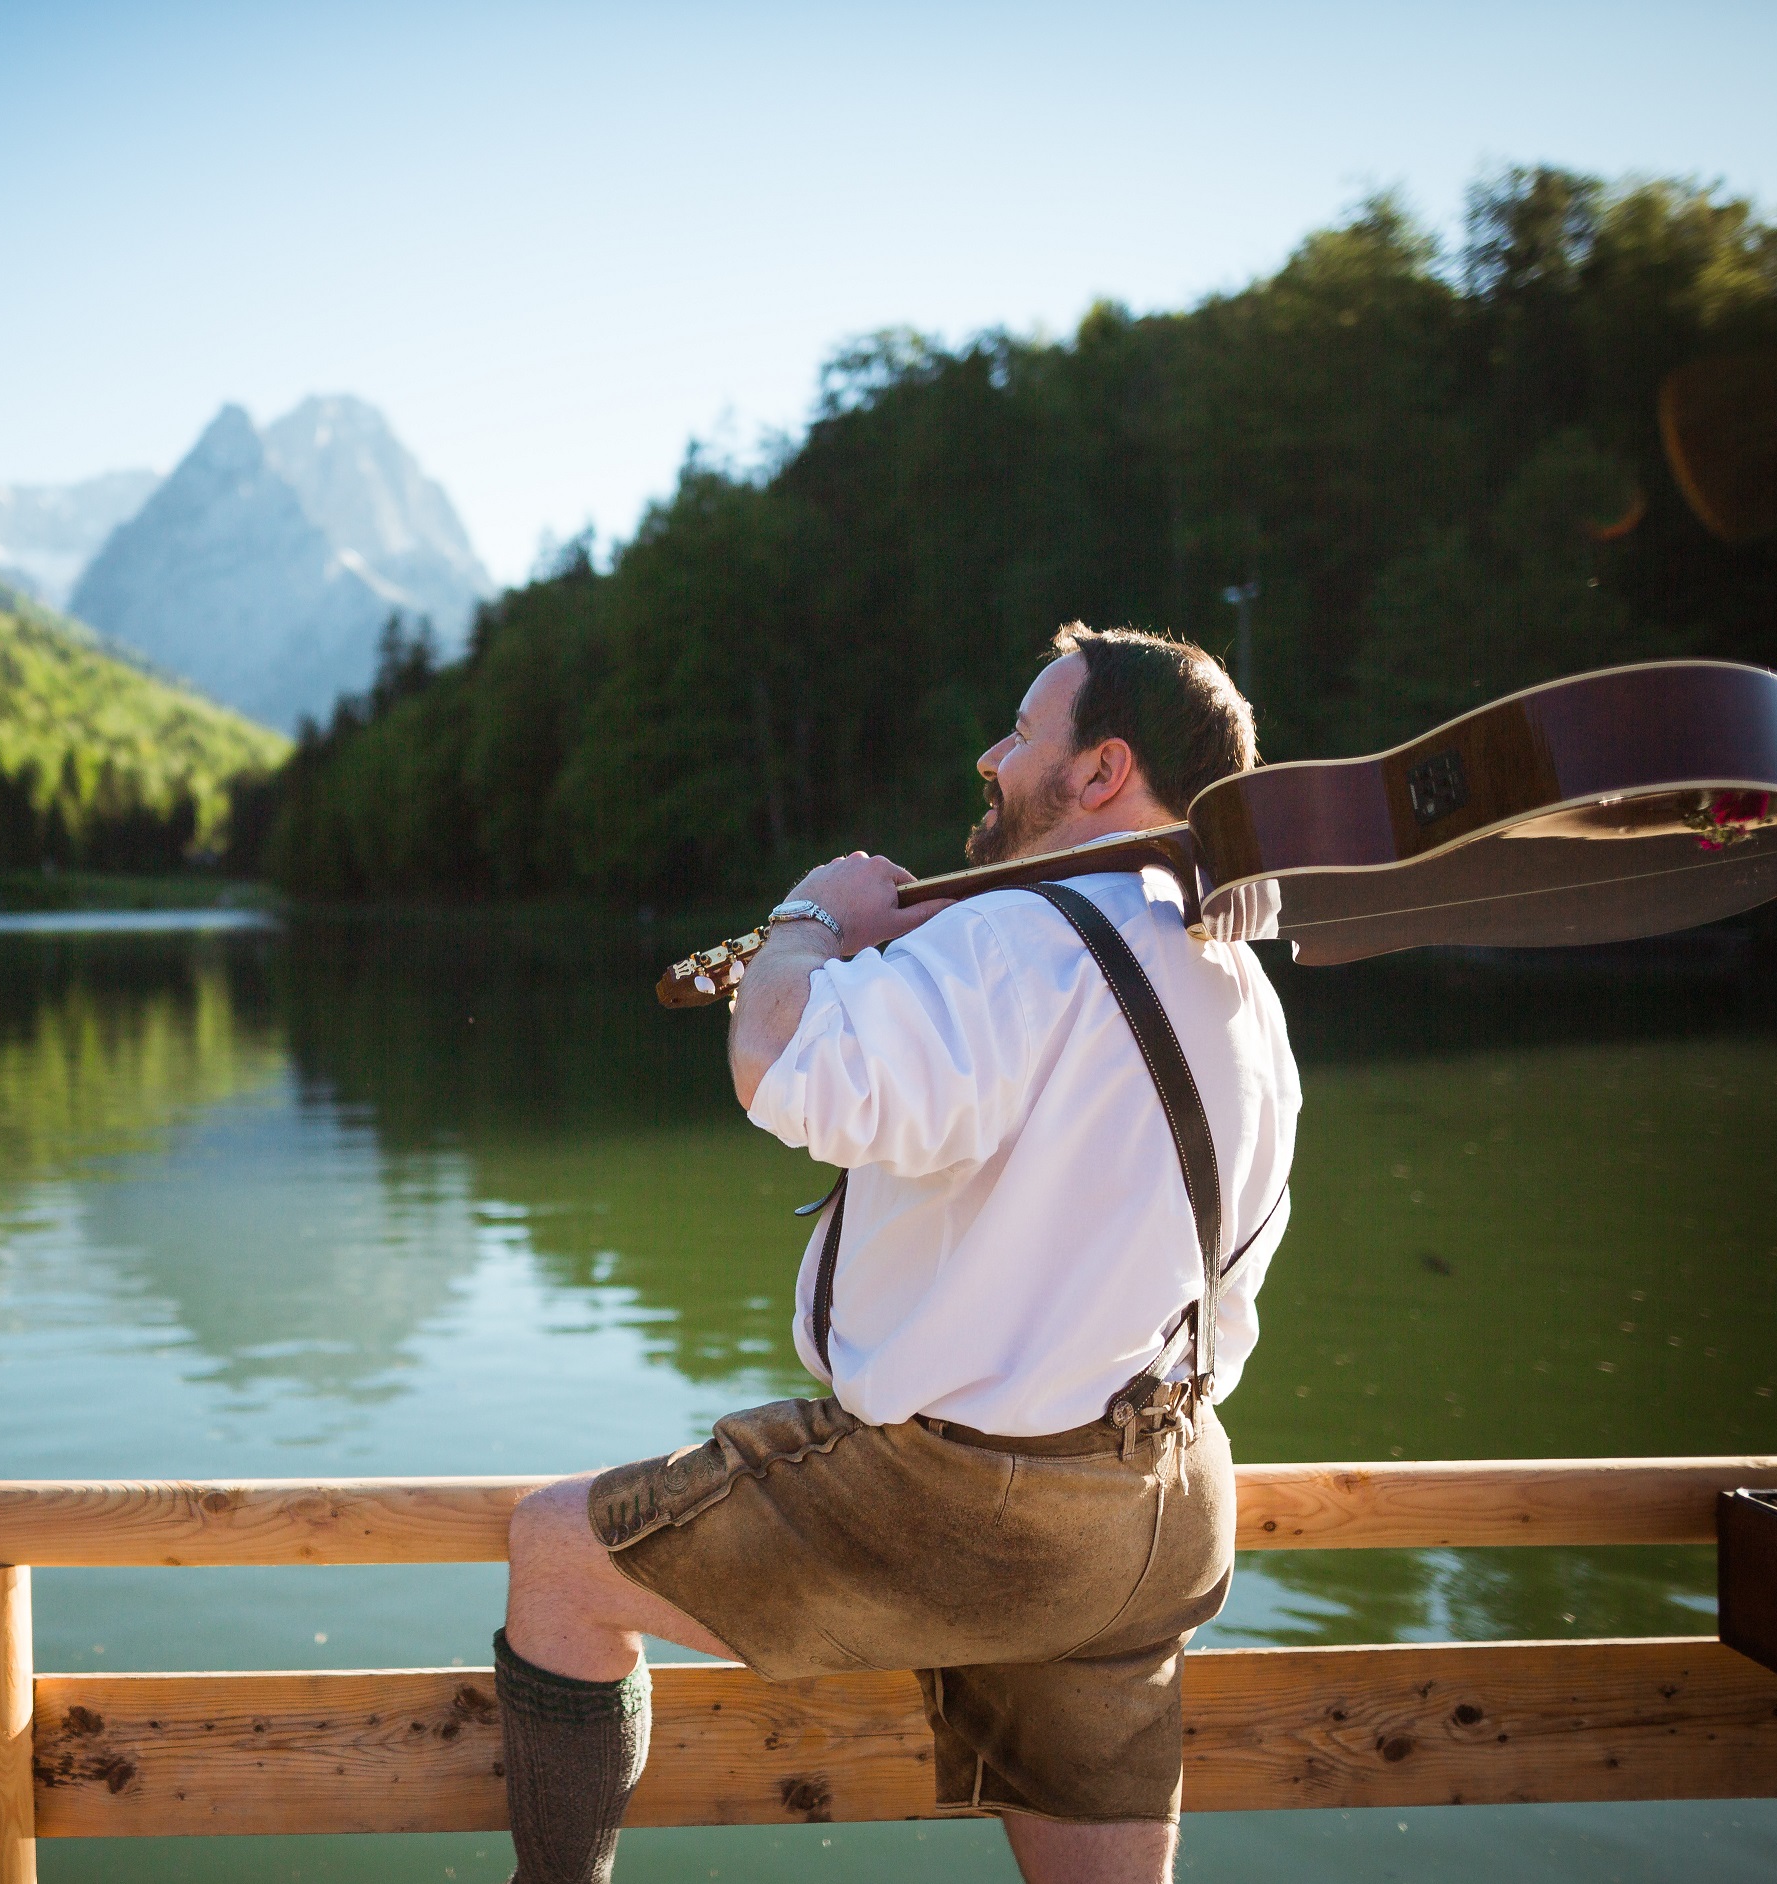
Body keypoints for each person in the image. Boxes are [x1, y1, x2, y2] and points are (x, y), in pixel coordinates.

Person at [494, 625, 1299, 1884]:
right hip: (1170, 1499)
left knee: (555, 1552)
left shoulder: (1012, 937)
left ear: (1100, 773)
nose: (990, 756)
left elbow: (781, 1066)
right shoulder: (1236, 968)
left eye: (1023, 733)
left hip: (979, 1511)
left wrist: (808, 918)